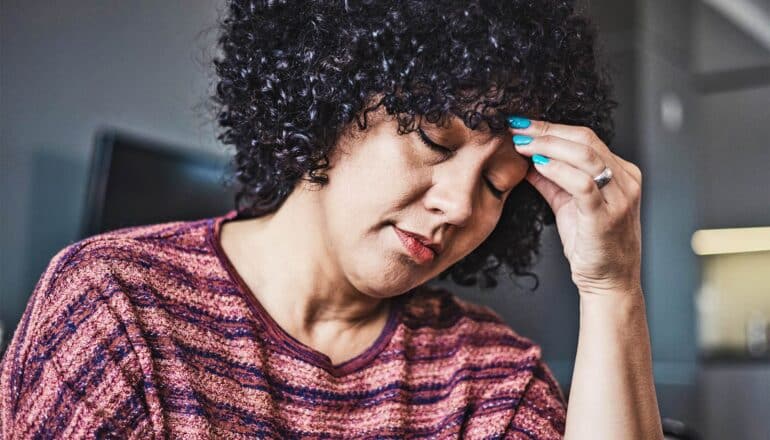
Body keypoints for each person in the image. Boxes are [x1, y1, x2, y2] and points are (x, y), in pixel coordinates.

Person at [0, 0, 664, 438]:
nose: (460, 206)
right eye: (434, 140)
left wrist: (613, 289)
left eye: (497, 185)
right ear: (333, 100)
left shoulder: (487, 378)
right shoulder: (119, 304)